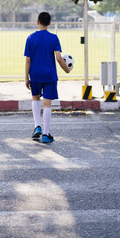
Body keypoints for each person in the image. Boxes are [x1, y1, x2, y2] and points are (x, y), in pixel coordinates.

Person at [24, 12, 70, 143]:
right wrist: (67, 70)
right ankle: (45, 134)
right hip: (50, 75)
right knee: (47, 104)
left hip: (35, 74)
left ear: (37, 22)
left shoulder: (30, 38)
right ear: (49, 23)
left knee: (35, 98)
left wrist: (26, 78)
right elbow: (59, 58)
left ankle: (37, 126)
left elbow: (28, 60)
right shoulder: (54, 38)